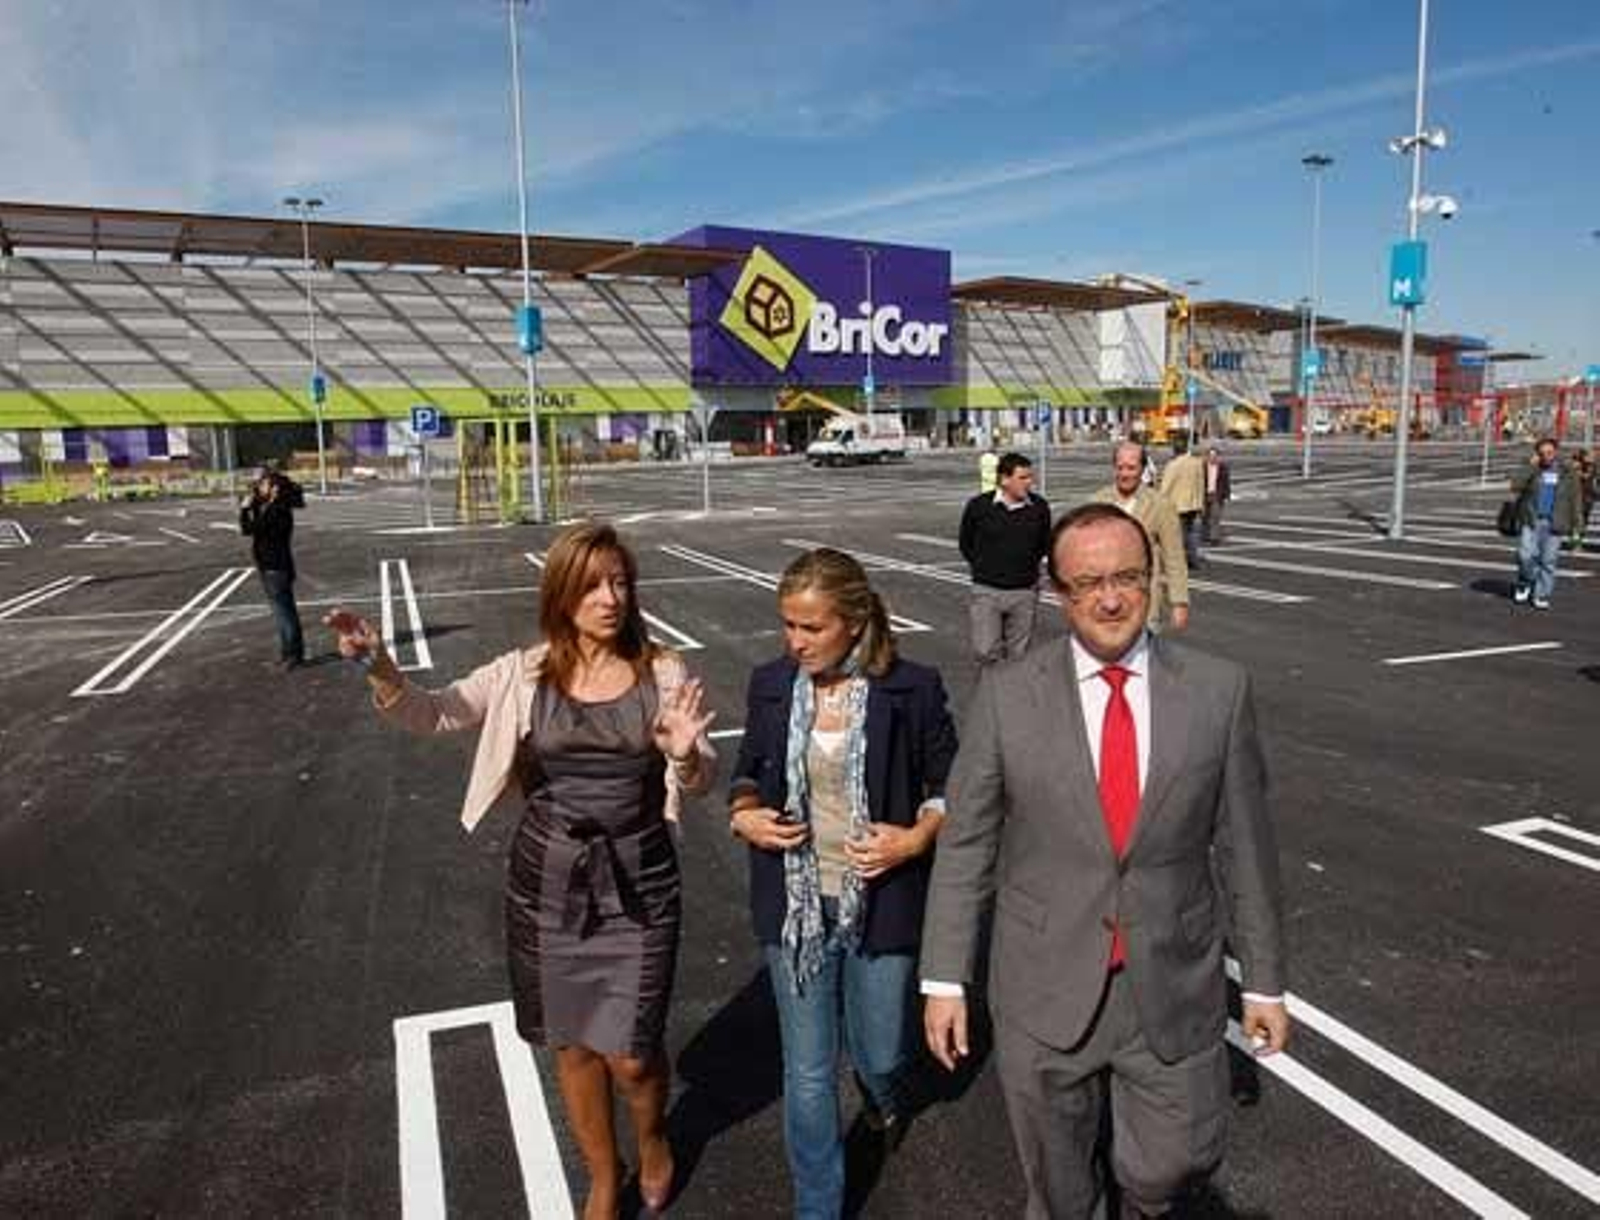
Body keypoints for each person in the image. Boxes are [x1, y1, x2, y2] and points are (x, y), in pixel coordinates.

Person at [325, 523, 717, 1220]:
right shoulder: (523, 671)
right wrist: (382, 667)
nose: (611, 597)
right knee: (571, 1046)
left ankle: (653, 1139)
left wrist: (685, 757)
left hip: (640, 882)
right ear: (563, 594)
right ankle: (602, 1176)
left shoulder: (663, 671)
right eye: (594, 584)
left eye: (621, 581)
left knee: (632, 1053)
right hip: (548, 885)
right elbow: (438, 712)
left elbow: (700, 776)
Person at [920, 502, 1289, 1219]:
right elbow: (966, 843)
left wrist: (1266, 984)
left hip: (1171, 980)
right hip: (1042, 985)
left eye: (1126, 577)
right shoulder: (1007, 696)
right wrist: (944, 978)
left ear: (1151, 579)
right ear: (1056, 592)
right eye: (1087, 584)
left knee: (1170, 1168)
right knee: (1059, 1192)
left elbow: (1247, 846)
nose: (1110, 598)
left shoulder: (1219, 691)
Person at [728, 548, 958, 1219]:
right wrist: (745, 814)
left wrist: (913, 838)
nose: (794, 642)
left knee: (883, 1052)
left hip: (881, 902)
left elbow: (953, 787)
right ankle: (818, 1206)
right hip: (795, 905)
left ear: (854, 623)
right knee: (807, 1071)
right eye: (788, 626)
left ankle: (885, 1097)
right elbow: (748, 770)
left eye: (811, 627)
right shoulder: (771, 684)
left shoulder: (911, 688)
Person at [959, 452, 1053, 666]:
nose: (1029, 482)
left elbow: (1044, 545)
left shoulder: (1039, 508)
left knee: (1019, 657)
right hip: (987, 591)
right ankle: (992, 694)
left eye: (1030, 477)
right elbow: (966, 543)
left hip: (1024, 592)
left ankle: (1012, 697)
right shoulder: (979, 506)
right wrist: (985, 567)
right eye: (1023, 478)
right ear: (1004, 480)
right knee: (985, 651)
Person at [1091, 442, 1190, 632]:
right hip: (1103, 601)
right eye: (1120, 467)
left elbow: (1174, 557)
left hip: (1143, 604)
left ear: (1143, 469)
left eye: (1131, 468)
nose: (1125, 474)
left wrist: (1179, 602)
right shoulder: (1097, 502)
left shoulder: (1160, 505)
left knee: (1142, 660)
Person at [239, 465, 306, 670]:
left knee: (285, 614)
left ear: (275, 488)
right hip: (271, 568)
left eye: (265, 483)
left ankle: (293, 655)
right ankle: (289, 653)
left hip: (276, 569)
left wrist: (244, 509)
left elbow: (249, 529)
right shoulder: (271, 507)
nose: (260, 486)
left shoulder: (278, 511)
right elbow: (255, 520)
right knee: (282, 614)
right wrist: (253, 502)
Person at [1510, 436, 1583, 610]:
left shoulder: (1567, 472)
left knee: (1548, 561)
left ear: (1555, 452)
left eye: (1549, 452)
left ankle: (1541, 594)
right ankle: (1525, 582)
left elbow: (1576, 499)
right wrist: (1530, 465)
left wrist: (1577, 526)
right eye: (1542, 453)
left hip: (1555, 522)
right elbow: (1515, 485)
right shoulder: (1533, 469)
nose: (1546, 456)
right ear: (1537, 454)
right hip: (1532, 519)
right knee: (1525, 555)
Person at [1159, 437, 1206, 570]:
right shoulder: (1196, 463)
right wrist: (1200, 503)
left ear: (1175, 450)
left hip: (1178, 506)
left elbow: (1165, 487)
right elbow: (1201, 484)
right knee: (1191, 534)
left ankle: (1177, 563)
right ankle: (1193, 560)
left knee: (1176, 536)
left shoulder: (1173, 465)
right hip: (1193, 504)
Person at [1202, 445, 1232, 545]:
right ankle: (1205, 536)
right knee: (1205, 517)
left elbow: (1226, 482)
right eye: (1210, 455)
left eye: (1214, 456)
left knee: (1215, 517)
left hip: (1216, 494)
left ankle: (1214, 538)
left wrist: (1227, 495)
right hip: (1205, 494)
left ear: (1218, 456)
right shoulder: (1203, 466)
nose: (1212, 458)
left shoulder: (1223, 467)